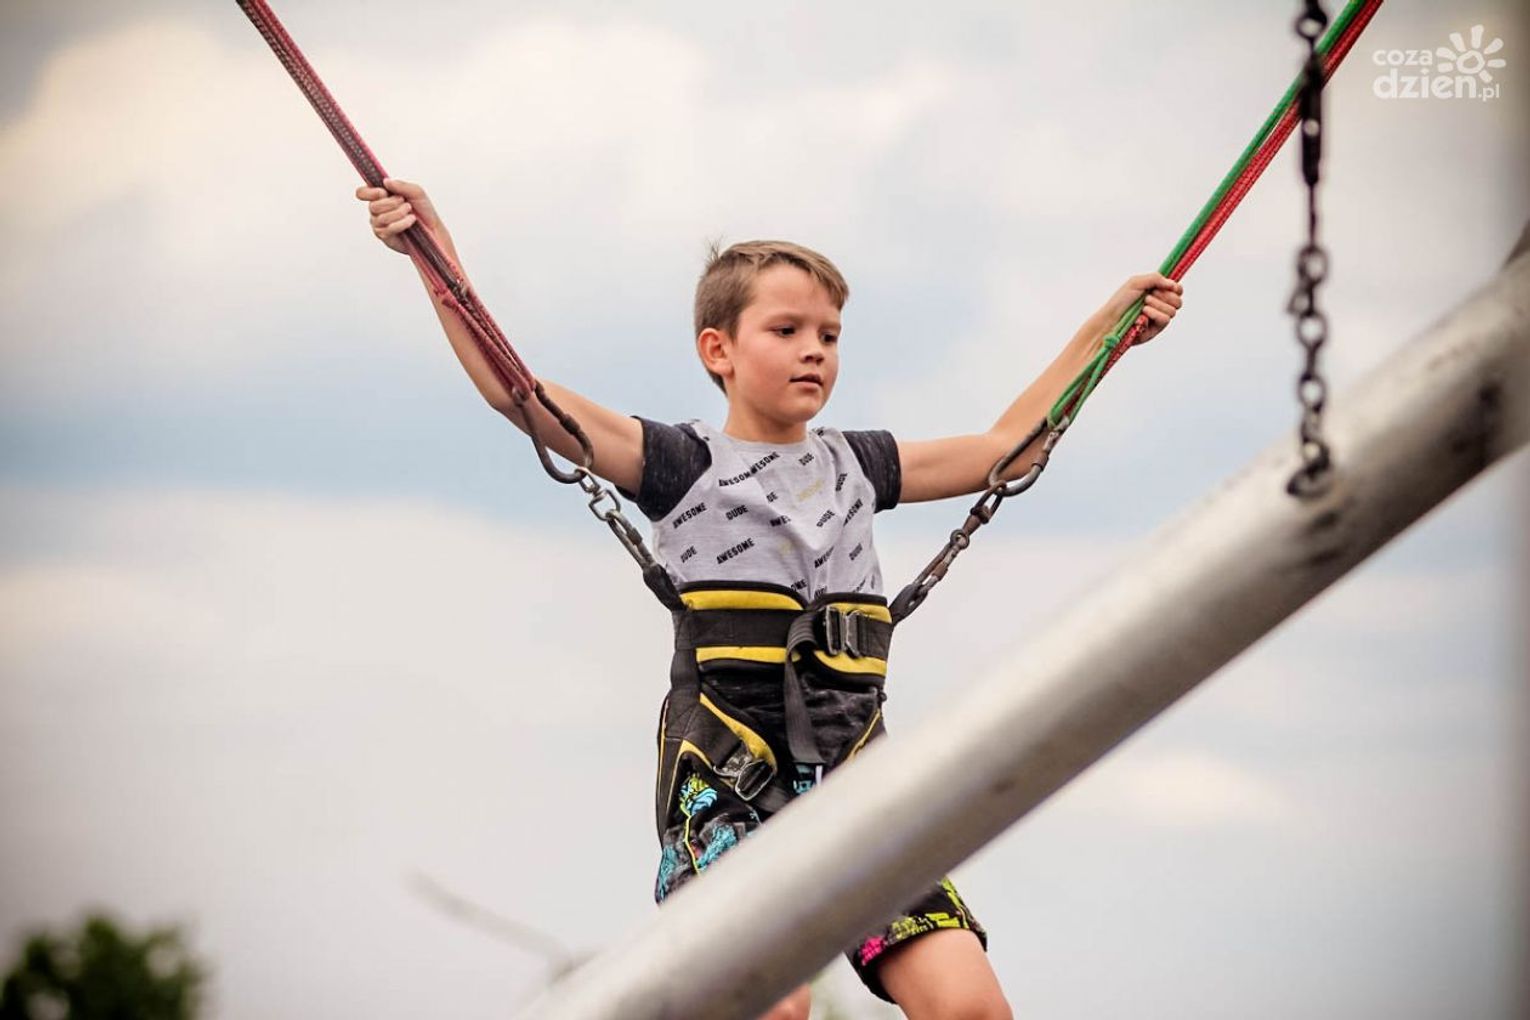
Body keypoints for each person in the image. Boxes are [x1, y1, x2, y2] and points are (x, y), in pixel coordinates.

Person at [357, 177, 1182, 1020]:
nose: (814, 350)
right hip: (726, 785)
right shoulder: (679, 464)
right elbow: (520, 393)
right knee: (776, 1007)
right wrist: (434, 256)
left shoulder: (861, 465)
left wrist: (1107, 334)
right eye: (786, 331)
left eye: (829, 334)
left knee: (971, 1007)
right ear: (718, 350)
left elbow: (1008, 448)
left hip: (856, 787)